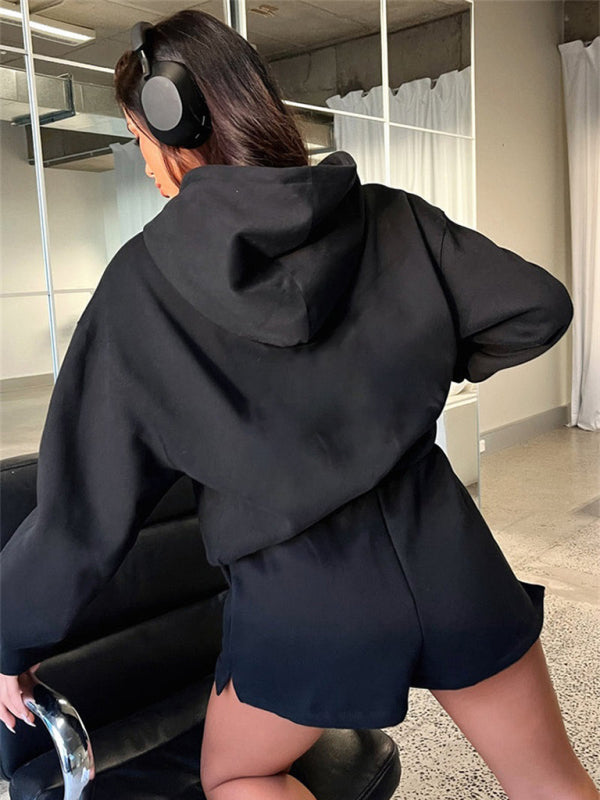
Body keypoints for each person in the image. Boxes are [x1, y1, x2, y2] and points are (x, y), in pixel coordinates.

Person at [0, 9, 598, 800]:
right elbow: (538, 306)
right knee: (551, 782)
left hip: (304, 600)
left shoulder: (139, 288)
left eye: (140, 137)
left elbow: (82, 514)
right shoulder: (390, 216)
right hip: (449, 560)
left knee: (238, 773)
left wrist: (12, 640)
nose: (143, 161)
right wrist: (413, 366)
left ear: (174, 125)